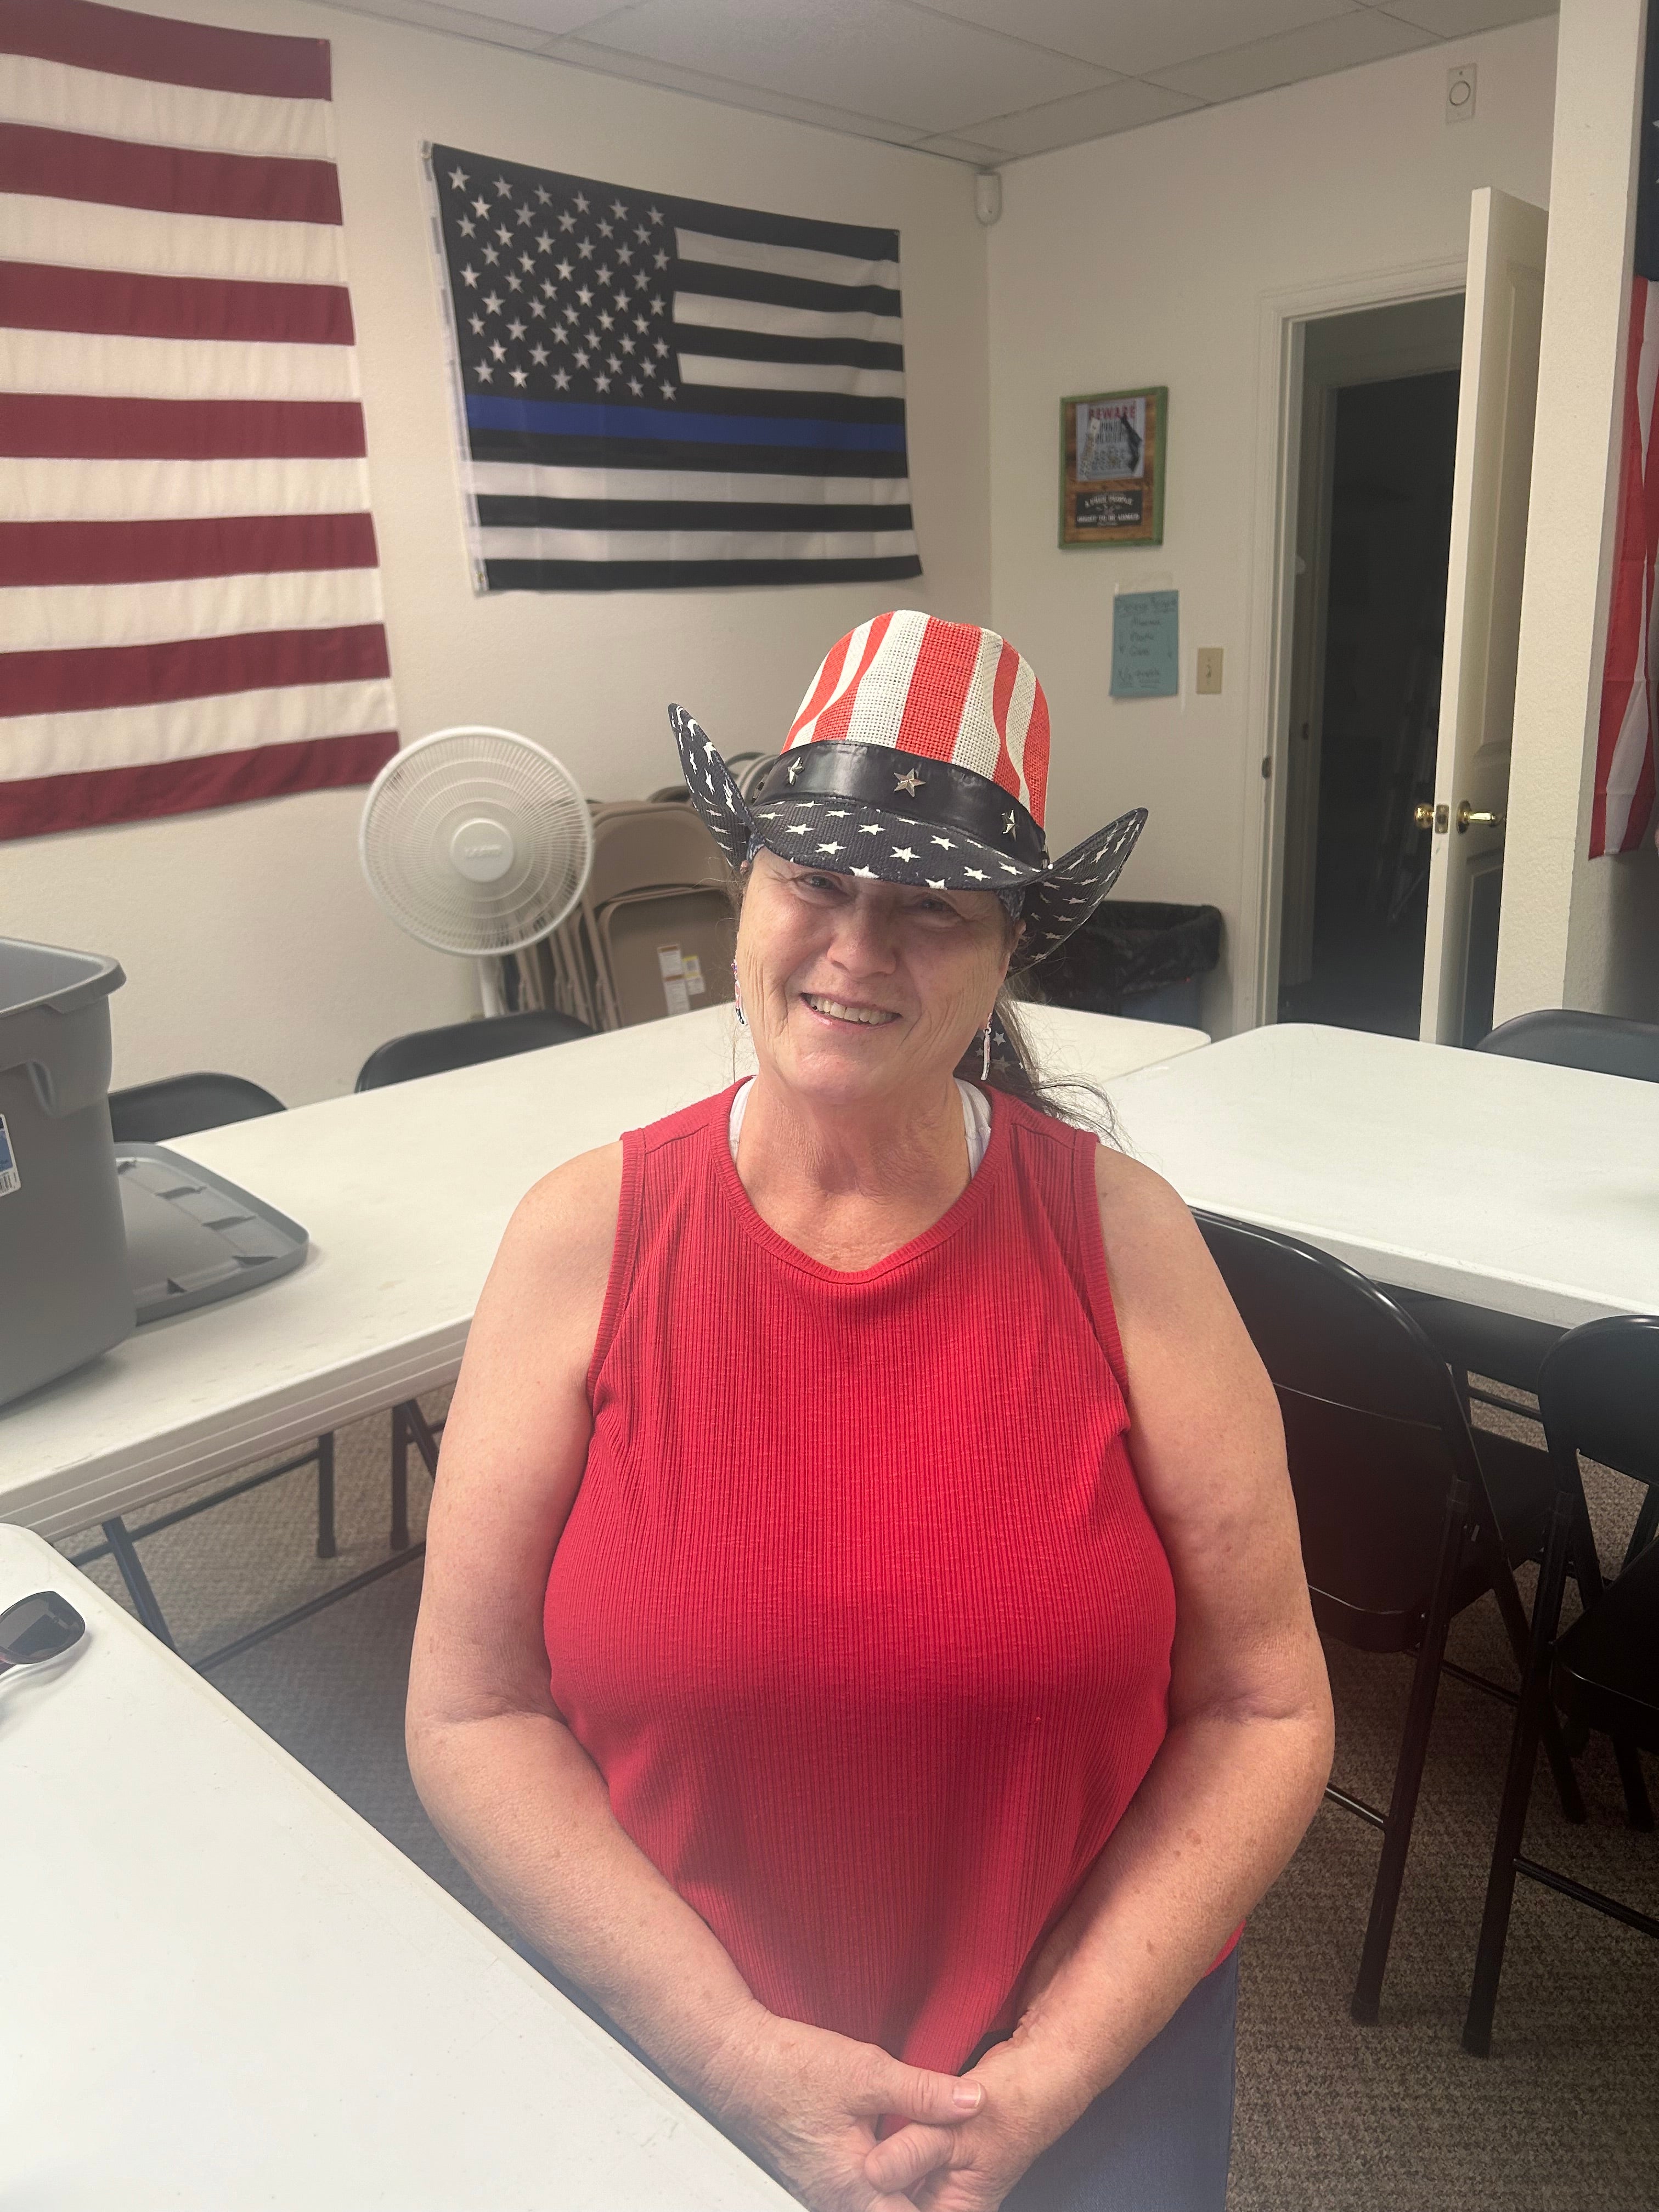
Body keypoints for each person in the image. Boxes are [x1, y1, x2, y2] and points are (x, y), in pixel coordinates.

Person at [407, 612, 1334, 2212]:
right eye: (815, 880)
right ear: (748, 887)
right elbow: (472, 1713)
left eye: (927, 908)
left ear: (1006, 952)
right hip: (662, 2040)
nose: (853, 946)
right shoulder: (582, 1237)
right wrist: (731, 2056)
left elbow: (1265, 1709)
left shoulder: (1127, 1243)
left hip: (1075, 2050)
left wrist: (1037, 2084)